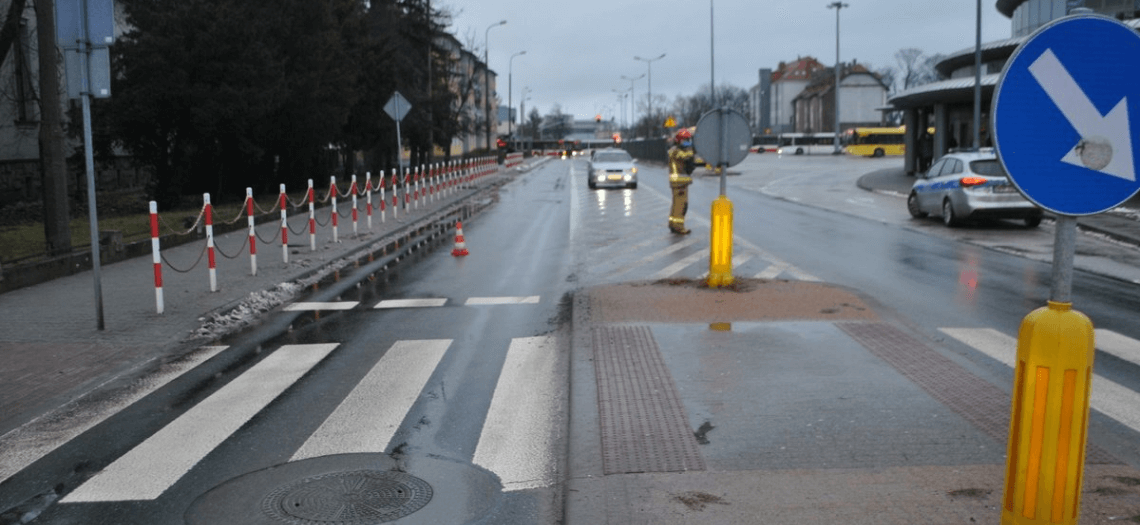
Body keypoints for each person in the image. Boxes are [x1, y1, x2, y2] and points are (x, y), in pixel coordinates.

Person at [667, 128, 696, 234]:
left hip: (677, 182)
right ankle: (679, 227)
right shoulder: (677, 151)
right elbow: (686, 156)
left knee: (676, 204)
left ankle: (672, 224)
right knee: (682, 205)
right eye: (685, 140)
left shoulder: (674, 150)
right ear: (679, 140)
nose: (687, 142)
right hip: (680, 182)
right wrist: (692, 150)